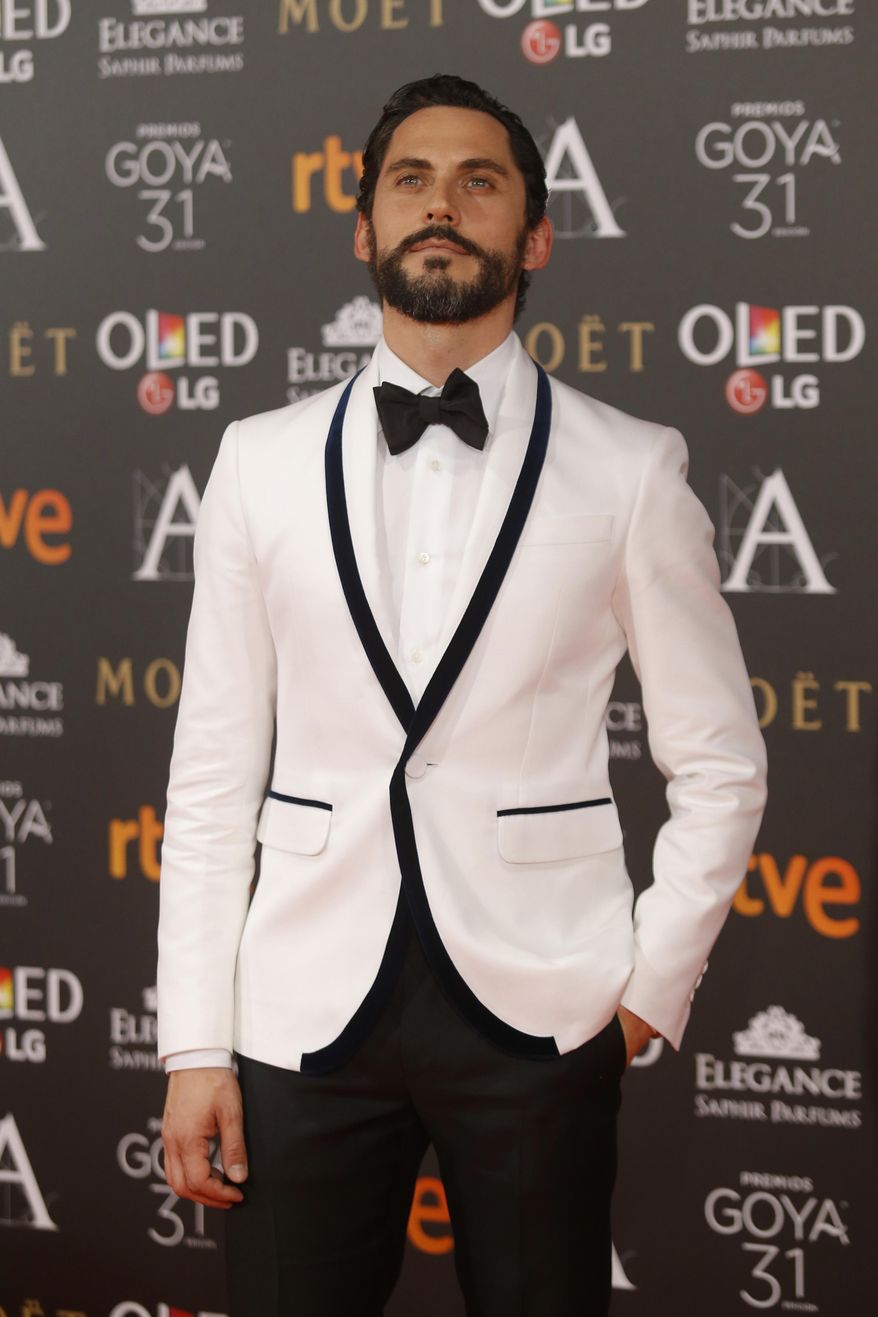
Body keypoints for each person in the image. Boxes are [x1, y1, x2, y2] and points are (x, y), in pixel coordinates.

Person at [157, 74, 767, 1317]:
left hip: (544, 1010)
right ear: (363, 224)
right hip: (299, 1014)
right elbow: (214, 769)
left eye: (479, 182)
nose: (443, 205)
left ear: (533, 235)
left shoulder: (632, 470)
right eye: (411, 180)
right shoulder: (254, 464)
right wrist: (195, 1045)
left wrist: (646, 998)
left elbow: (718, 765)